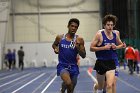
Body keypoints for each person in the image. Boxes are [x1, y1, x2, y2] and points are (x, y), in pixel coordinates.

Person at [90, 14, 124, 93]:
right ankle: (96, 86)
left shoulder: (115, 34)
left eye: (112, 25)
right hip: (101, 62)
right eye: (108, 25)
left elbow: (121, 44)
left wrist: (116, 47)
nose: (110, 27)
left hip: (111, 62)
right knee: (101, 86)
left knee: (110, 85)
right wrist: (104, 48)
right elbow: (91, 48)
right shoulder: (99, 34)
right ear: (104, 25)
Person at [52, 18, 86, 93]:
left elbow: (83, 55)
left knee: (71, 89)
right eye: (72, 26)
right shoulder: (60, 37)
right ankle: (64, 86)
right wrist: (56, 48)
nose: (73, 28)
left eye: (76, 27)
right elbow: (54, 45)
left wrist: (78, 48)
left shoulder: (79, 40)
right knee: (68, 82)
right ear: (68, 26)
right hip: (62, 66)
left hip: (74, 66)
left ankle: (63, 88)